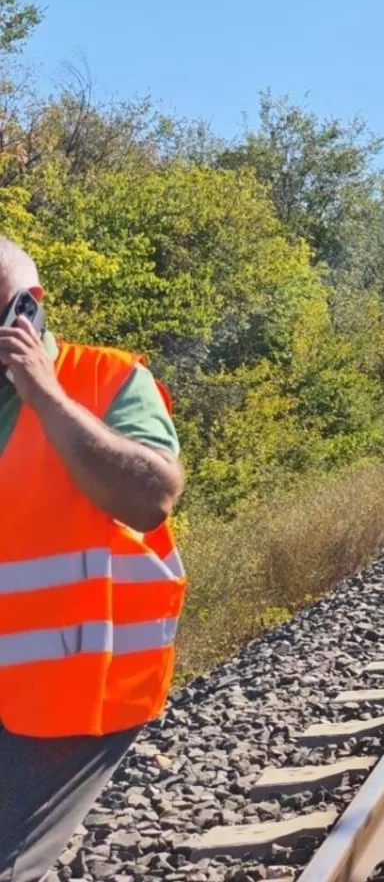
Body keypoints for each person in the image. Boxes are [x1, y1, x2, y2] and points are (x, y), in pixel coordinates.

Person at [0, 237, 187, 882]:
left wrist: (45, 396)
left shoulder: (105, 380)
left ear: (26, 311)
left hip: (73, 696)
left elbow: (151, 498)